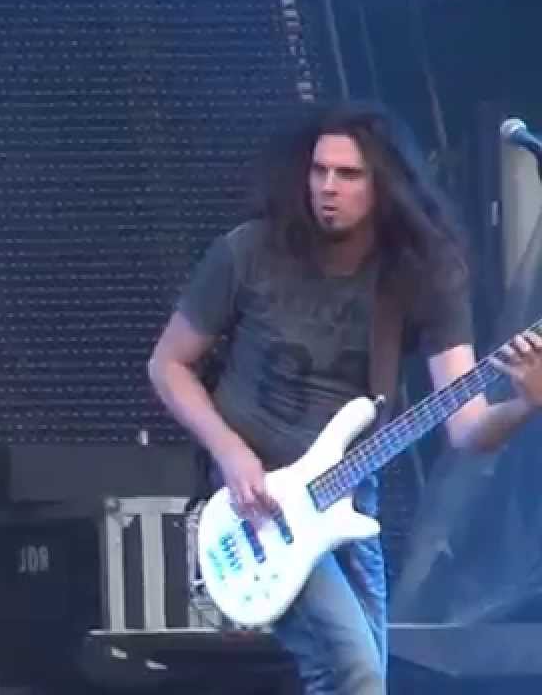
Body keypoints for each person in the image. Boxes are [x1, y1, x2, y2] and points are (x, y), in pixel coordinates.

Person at [147, 101, 542, 694]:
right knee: (352, 669)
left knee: (365, 677)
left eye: (349, 174)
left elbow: (466, 428)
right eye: (319, 170)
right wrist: (230, 452)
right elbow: (168, 364)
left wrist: (526, 403)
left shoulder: (423, 273)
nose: (327, 187)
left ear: (385, 187)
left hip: (348, 493)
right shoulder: (248, 252)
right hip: (254, 501)